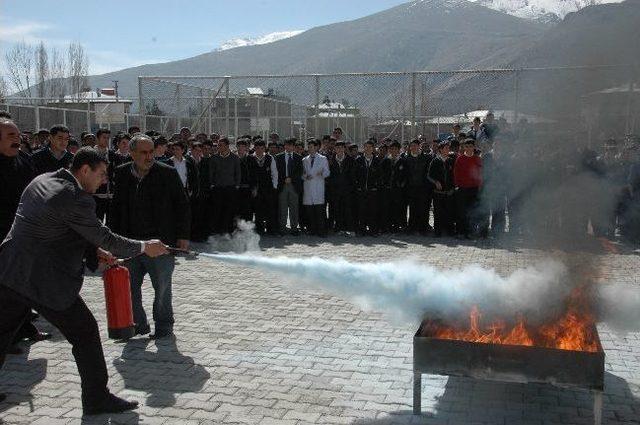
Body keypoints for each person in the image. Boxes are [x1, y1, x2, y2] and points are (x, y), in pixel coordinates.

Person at [0, 145, 168, 413]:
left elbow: (55, 226)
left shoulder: (42, 180)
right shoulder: (76, 198)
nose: (104, 181)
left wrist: (93, 251)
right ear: (84, 169)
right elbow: (106, 237)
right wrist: (144, 246)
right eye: (101, 174)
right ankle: (96, 399)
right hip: (44, 281)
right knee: (86, 333)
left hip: (9, 271)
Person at [110, 134, 191, 339]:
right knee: (130, 288)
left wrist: (182, 236)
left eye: (151, 152)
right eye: (143, 153)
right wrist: (112, 242)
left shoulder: (167, 173)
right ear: (132, 153)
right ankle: (138, 324)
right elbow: (115, 210)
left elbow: (182, 206)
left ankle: (164, 327)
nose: (149, 157)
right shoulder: (121, 174)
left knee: (162, 289)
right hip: (130, 244)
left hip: (161, 244)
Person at [209, 137, 241, 234]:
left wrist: (237, 185)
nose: (218, 147)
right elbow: (211, 173)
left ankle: (228, 230)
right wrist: (212, 184)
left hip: (230, 187)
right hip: (218, 188)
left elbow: (238, 172)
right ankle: (216, 230)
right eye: (218, 145)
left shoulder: (235, 158)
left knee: (229, 210)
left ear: (227, 146)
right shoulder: (214, 158)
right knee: (217, 209)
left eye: (221, 145)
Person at [454, 139, 483, 239]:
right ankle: (461, 232)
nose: (469, 148)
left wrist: (479, 185)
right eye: (467, 146)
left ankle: (471, 232)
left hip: (474, 189)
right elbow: (456, 174)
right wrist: (457, 185)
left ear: (474, 147)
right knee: (461, 211)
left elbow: (480, 173)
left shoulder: (478, 159)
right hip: (462, 189)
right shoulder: (460, 159)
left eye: (471, 146)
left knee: (472, 211)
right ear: (464, 147)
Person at [302, 139, 330, 236]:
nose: (309, 149)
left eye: (311, 147)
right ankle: (312, 230)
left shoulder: (323, 158)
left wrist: (322, 173)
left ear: (316, 147)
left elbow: (327, 172)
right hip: (308, 187)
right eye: (308, 147)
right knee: (310, 212)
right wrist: (305, 176)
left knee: (319, 211)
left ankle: (321, 231)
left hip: (318, 186)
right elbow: (302, 174)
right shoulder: (304, 160)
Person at [275, 138, 303, 235]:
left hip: (294, 186)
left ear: (294, 146)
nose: (288, 147)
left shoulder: (299, 158)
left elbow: (300, 172)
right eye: (287, 145)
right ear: (284, 146)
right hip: (282, 185)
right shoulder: (278, 157)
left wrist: (292, 178)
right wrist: (284, 179)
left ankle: (294, 228)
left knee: (294, 208)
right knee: (282, 208)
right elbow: (276, 172)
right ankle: (282, 228)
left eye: (291, 145)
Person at [250, 140, 278, 235]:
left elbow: (274, 173)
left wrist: (274, 186)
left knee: (270, 209)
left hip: (268, 187)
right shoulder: (250, 158)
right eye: (257, 148)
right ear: (254, 148)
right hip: (256, 188)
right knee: (258, 210)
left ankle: (271, 229)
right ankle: (259, 229)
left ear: (264, 148)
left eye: (262, 148)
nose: (259, 150)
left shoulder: (270, 158)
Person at [354, 140, 382, 236]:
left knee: (373, 211)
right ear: (363, 148)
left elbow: (380, 176)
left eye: (370, 147)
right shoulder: (359, 160)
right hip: (361, 190)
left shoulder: (377, 161)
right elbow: (355, 175)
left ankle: (373, 230)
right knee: (361, 210)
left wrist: (376, 186)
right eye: (366, 147)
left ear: (373, 148)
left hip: (373, 191)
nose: (368, 149)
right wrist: (358, 186)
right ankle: (361, 230)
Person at [429, 141, 456, 237]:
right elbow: (429, 176)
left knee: (449, 211)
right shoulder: (435, 161)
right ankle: (438, 231)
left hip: (448, 192)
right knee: (438, 212)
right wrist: (436, 182)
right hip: (438, 192)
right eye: (446, 148)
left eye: (449, 148)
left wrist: (453, 187)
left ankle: (449, 230)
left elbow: (454, 176)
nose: (448, 150)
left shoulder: (451, 161)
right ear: (440, 150)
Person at [327, 141, 355, 234]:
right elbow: (329, 175)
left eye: (341, 147)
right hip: (335, 190)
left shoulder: (350, 160)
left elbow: (352, 175)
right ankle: (339, 228)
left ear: (344, 148)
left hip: (347, 190)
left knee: (348, 209)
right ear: (335, 149)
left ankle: (350, 228)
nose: (339, 149)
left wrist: (350, 188)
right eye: (337, 148)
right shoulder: (330, 160)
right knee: (337, 209)